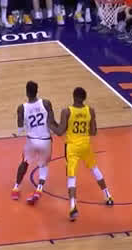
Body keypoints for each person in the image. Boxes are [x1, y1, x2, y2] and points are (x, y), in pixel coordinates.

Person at [49, 87, 114, 220]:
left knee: (72, 176)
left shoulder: (67, 111)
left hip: (72, 147)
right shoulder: (90, 111)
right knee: (94, 169)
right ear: (84, 98)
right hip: (86, 145)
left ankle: (73, 206)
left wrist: (50, 124)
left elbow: (60, 131)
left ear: (73, 96)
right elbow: (93, 132)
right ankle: (108, 196)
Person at [11, 81, 54, 203]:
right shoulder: (46, 103)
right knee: (43, 165)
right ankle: (39, 189)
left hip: (32, 140)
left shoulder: (21, 108)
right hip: (45, 140)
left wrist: (18, 133)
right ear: (37, 91)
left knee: (24, 162)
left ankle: (16, 188)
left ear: (26, 92)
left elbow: (20, 128)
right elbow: (51, 122)